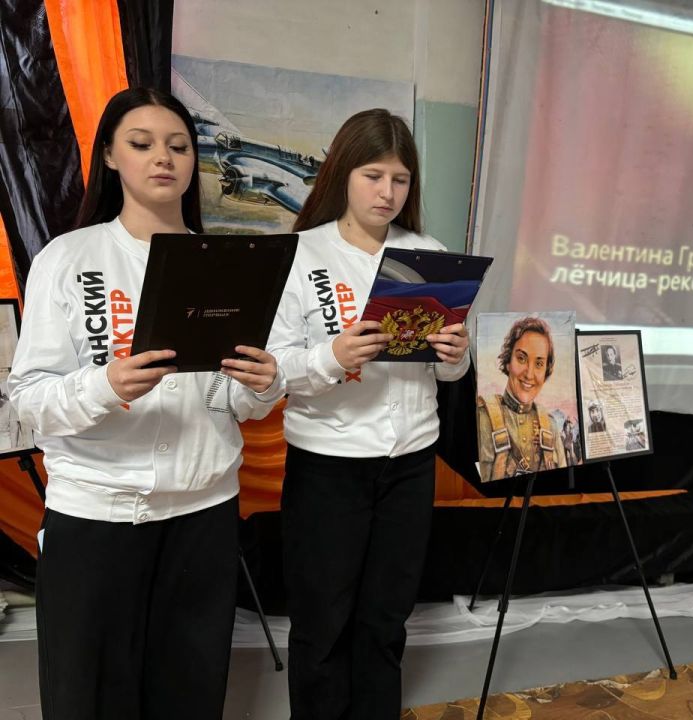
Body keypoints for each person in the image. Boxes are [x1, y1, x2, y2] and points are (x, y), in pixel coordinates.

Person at [7, 87, 284, 720]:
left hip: (203, 517)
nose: (164, 157)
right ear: (109, 155)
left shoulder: (225, 262)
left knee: (188, 697)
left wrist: (262, 381)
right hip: (96, 518)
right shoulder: (70, 258)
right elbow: (28, 400)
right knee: (89, 698)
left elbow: (230, 400)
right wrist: (105, 386)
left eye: (179, 146)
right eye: (142, 143)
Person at [267, 108, 470, 719]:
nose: (387, 192)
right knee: (322, 623)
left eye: (400, 179)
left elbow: (448, 374)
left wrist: (456, 355)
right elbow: (271, 369)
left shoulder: (428, 255)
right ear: (342, 173)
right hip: (328, 465)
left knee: (386, 619)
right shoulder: (300, 253)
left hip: (410, 462)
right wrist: (331, 356)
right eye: (373, 175)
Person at [477, 316, 568, 482]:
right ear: (508, 362)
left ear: (546, 371)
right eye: (521, 358)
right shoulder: (482, 417)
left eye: (539, 364)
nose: (529, 374)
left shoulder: (550, 426)